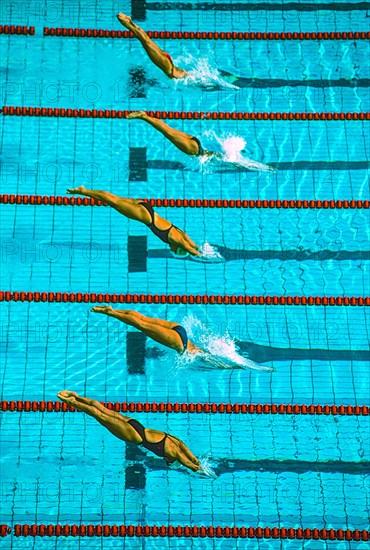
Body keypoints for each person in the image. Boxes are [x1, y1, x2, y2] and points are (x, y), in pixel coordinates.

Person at [57, 391, 201, 472]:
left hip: (136, 424)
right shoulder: (172, 453)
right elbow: (190, 465)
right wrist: (201, 472)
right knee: (100, 416)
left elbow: (192, 458)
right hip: (135, 435)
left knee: (102, 409)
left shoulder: (178, 442)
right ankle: (70, 401)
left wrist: (198, 463)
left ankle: (75, 396)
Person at [66, 186, 200, 257]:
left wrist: (198, 248)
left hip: (146, 209)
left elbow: (190, 242)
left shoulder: (181, 234)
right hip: (145, 215)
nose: (171, 249)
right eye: (174, 250)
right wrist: (202, 256)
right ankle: (84, 191)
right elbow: (188, 247)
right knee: (113, 201)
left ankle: (85, 191)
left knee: (114, 199)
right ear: (178, 247)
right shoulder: (176, 239)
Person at [91, 306, 202, 355]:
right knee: (141, 324)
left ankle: (113, 310)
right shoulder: (206, 360)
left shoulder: (205, 352)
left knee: (143, 319)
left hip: (180, 329)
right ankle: (111, 312)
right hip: (179, 342)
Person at [117, 13, 188, 80]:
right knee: (145, 40)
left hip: (169, 66)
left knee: (145, 40)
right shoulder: (191, 79)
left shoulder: (191, 77)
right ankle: (128, 22)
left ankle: (128, 22)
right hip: (169, 66)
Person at [127, 111, 215, 158]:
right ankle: (143, 116)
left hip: (196, 142)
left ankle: (145, 116)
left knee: (168, 130)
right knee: (167, 132)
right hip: (194, 150)